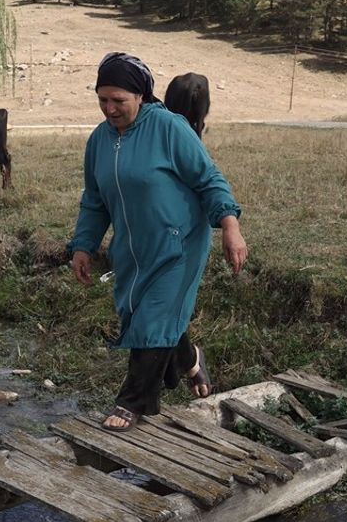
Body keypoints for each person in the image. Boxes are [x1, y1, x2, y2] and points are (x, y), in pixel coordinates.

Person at [68, 52, 247, 431]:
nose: (109, 109)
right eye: (103, 100)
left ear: (141, 96)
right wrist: (83, 246)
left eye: (118, 100)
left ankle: (134, 402)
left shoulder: (169, 127)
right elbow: (95, 200)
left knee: (153, 319)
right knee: (145, 315)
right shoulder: (99, 140)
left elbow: (209, 179)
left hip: (179, 244)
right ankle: (189, 359)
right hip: (133, 248)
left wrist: (230, 226)